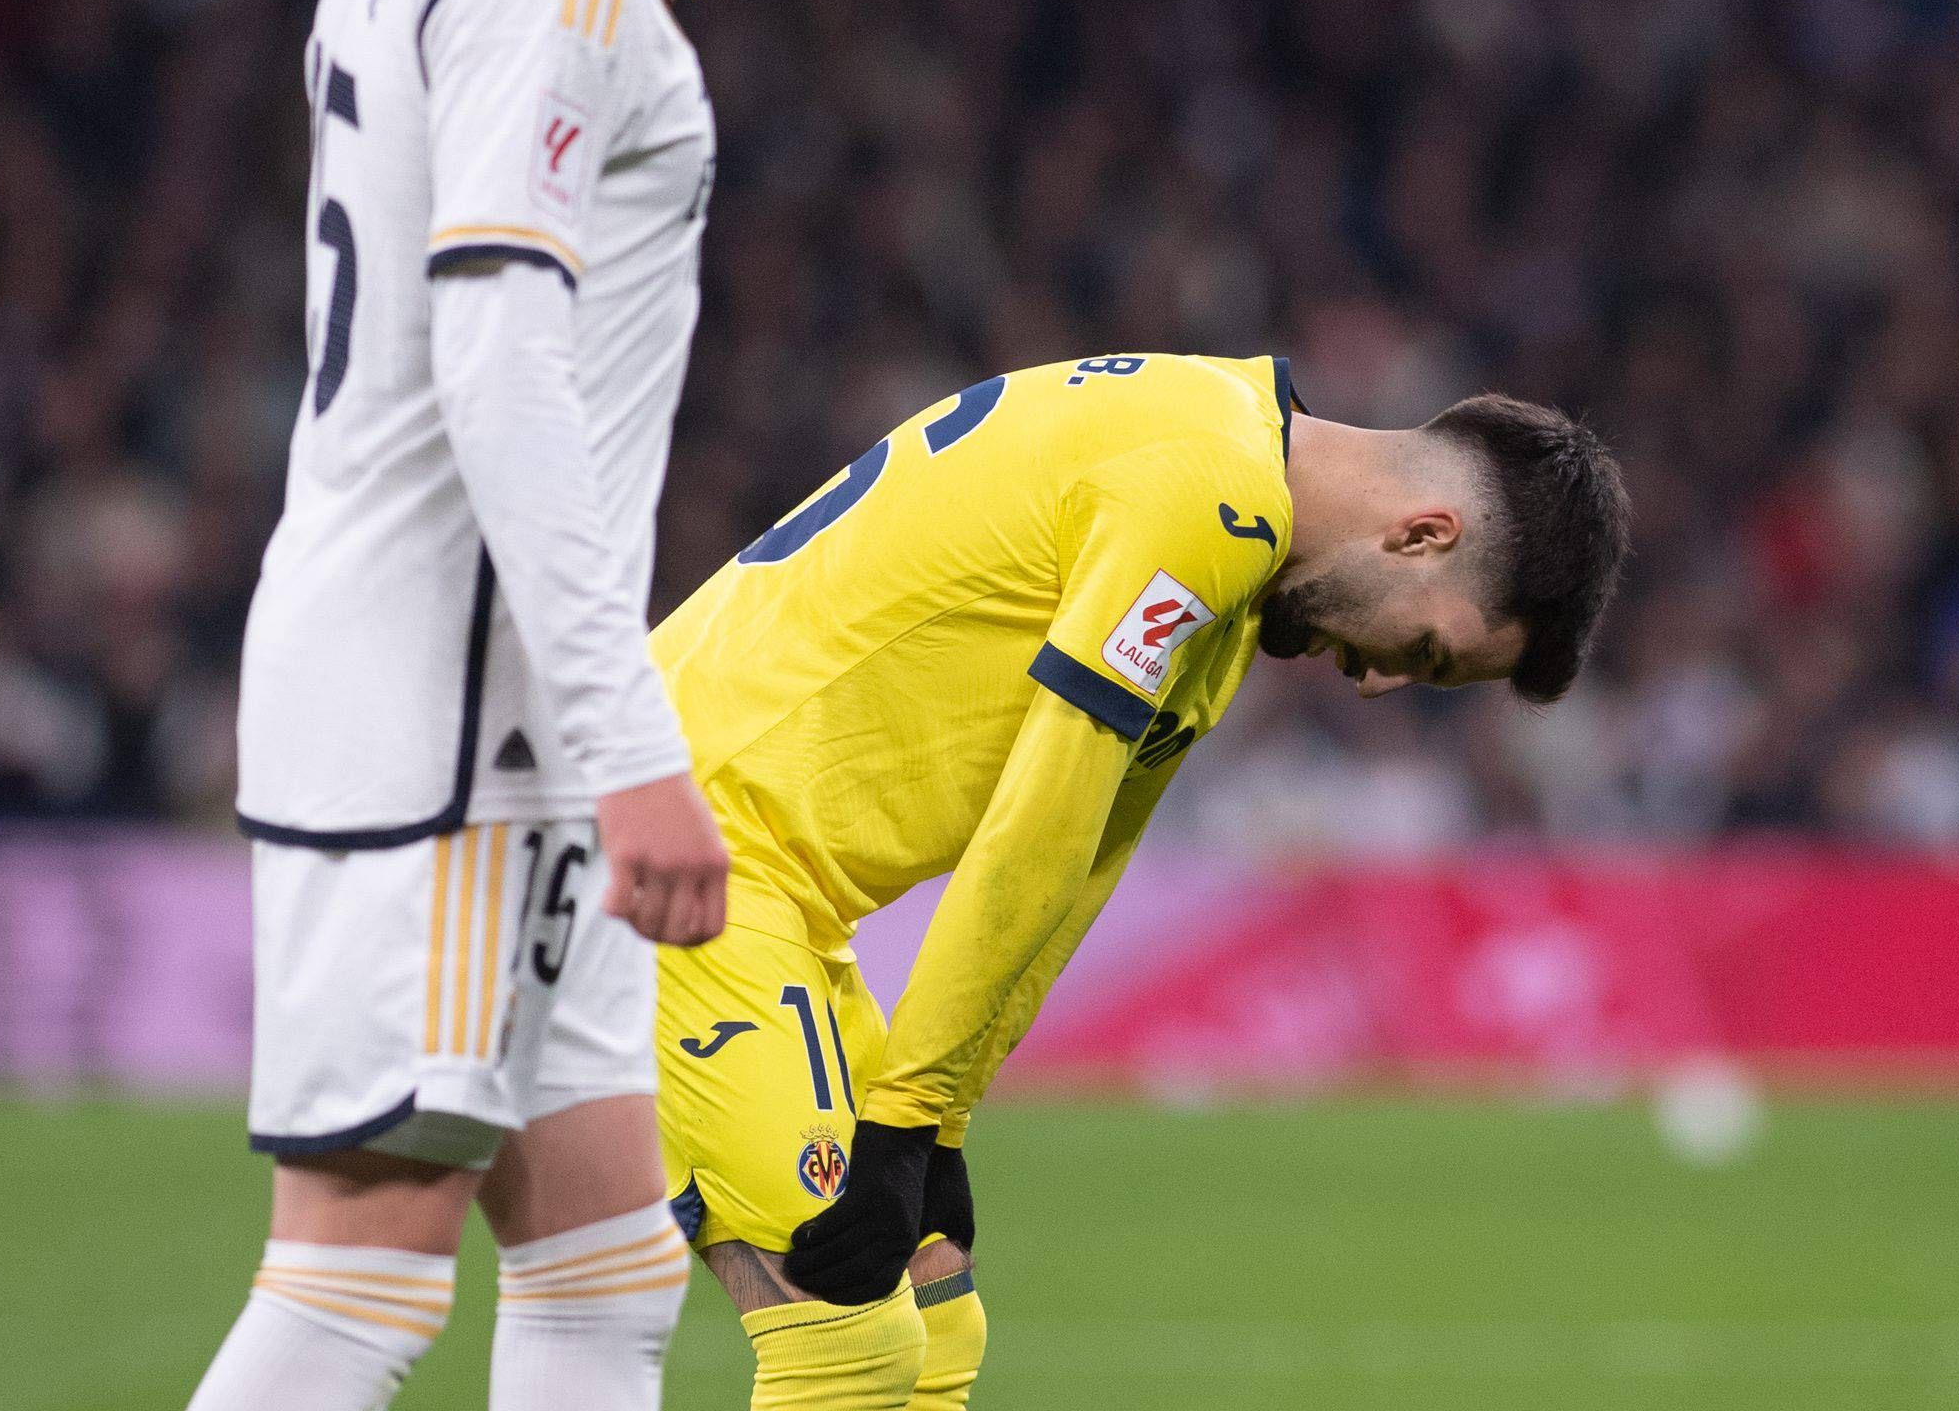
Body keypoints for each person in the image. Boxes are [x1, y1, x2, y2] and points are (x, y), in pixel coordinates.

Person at [188, 0, 822, 1411]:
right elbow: (495, 360)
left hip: (487, 715)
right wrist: (631, 749)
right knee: (354, 1292)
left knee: (608, 1267)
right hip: (454, 720)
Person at [649, 353, 1630, 1410]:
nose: (1383, 677)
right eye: (1428, 652)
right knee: (850, 1344)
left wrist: (942, 1118)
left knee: (938, 1317)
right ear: (1423, 534)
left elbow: (1083, 860)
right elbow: (1041, 819)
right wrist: (906, 1109)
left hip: (767, 884)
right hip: (675, 839)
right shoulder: (1210, 493)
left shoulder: (1237, 538)